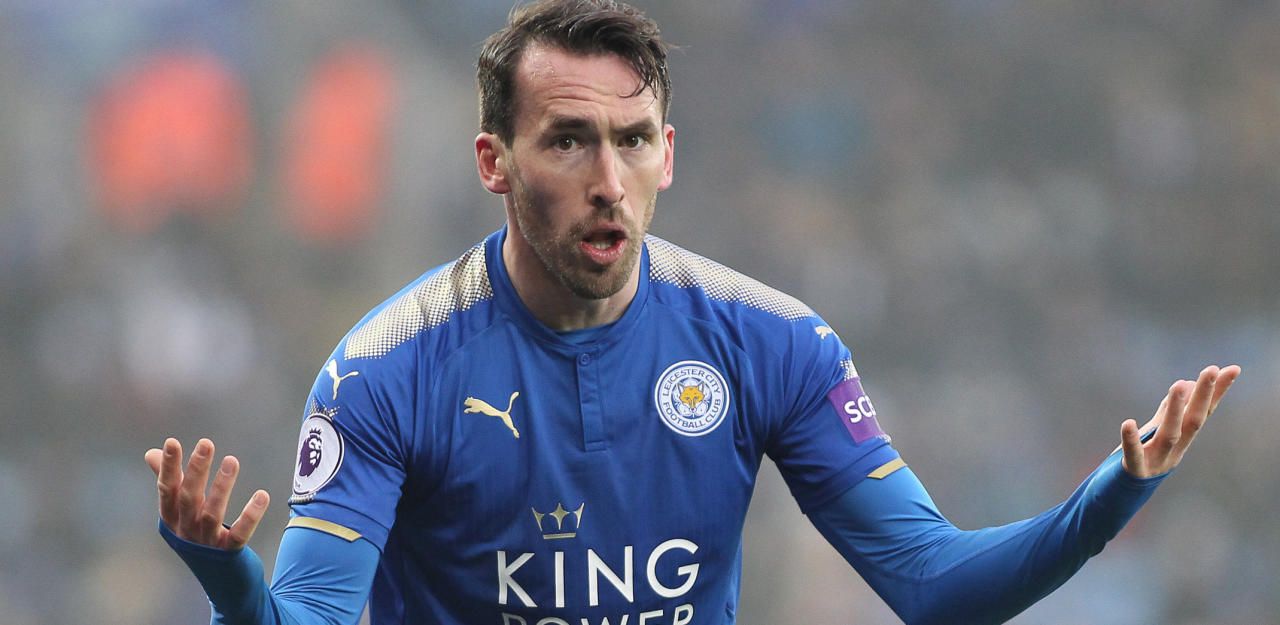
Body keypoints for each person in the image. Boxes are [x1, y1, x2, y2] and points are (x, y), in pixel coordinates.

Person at [145, 1, 1242, 624]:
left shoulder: (773, 343)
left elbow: (933, 584)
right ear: (493, 161)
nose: (606, 180)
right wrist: (229, 576)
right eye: (567, 140)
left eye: (631, 141)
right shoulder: (385, 371)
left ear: (666, 154)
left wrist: (1110, 494)